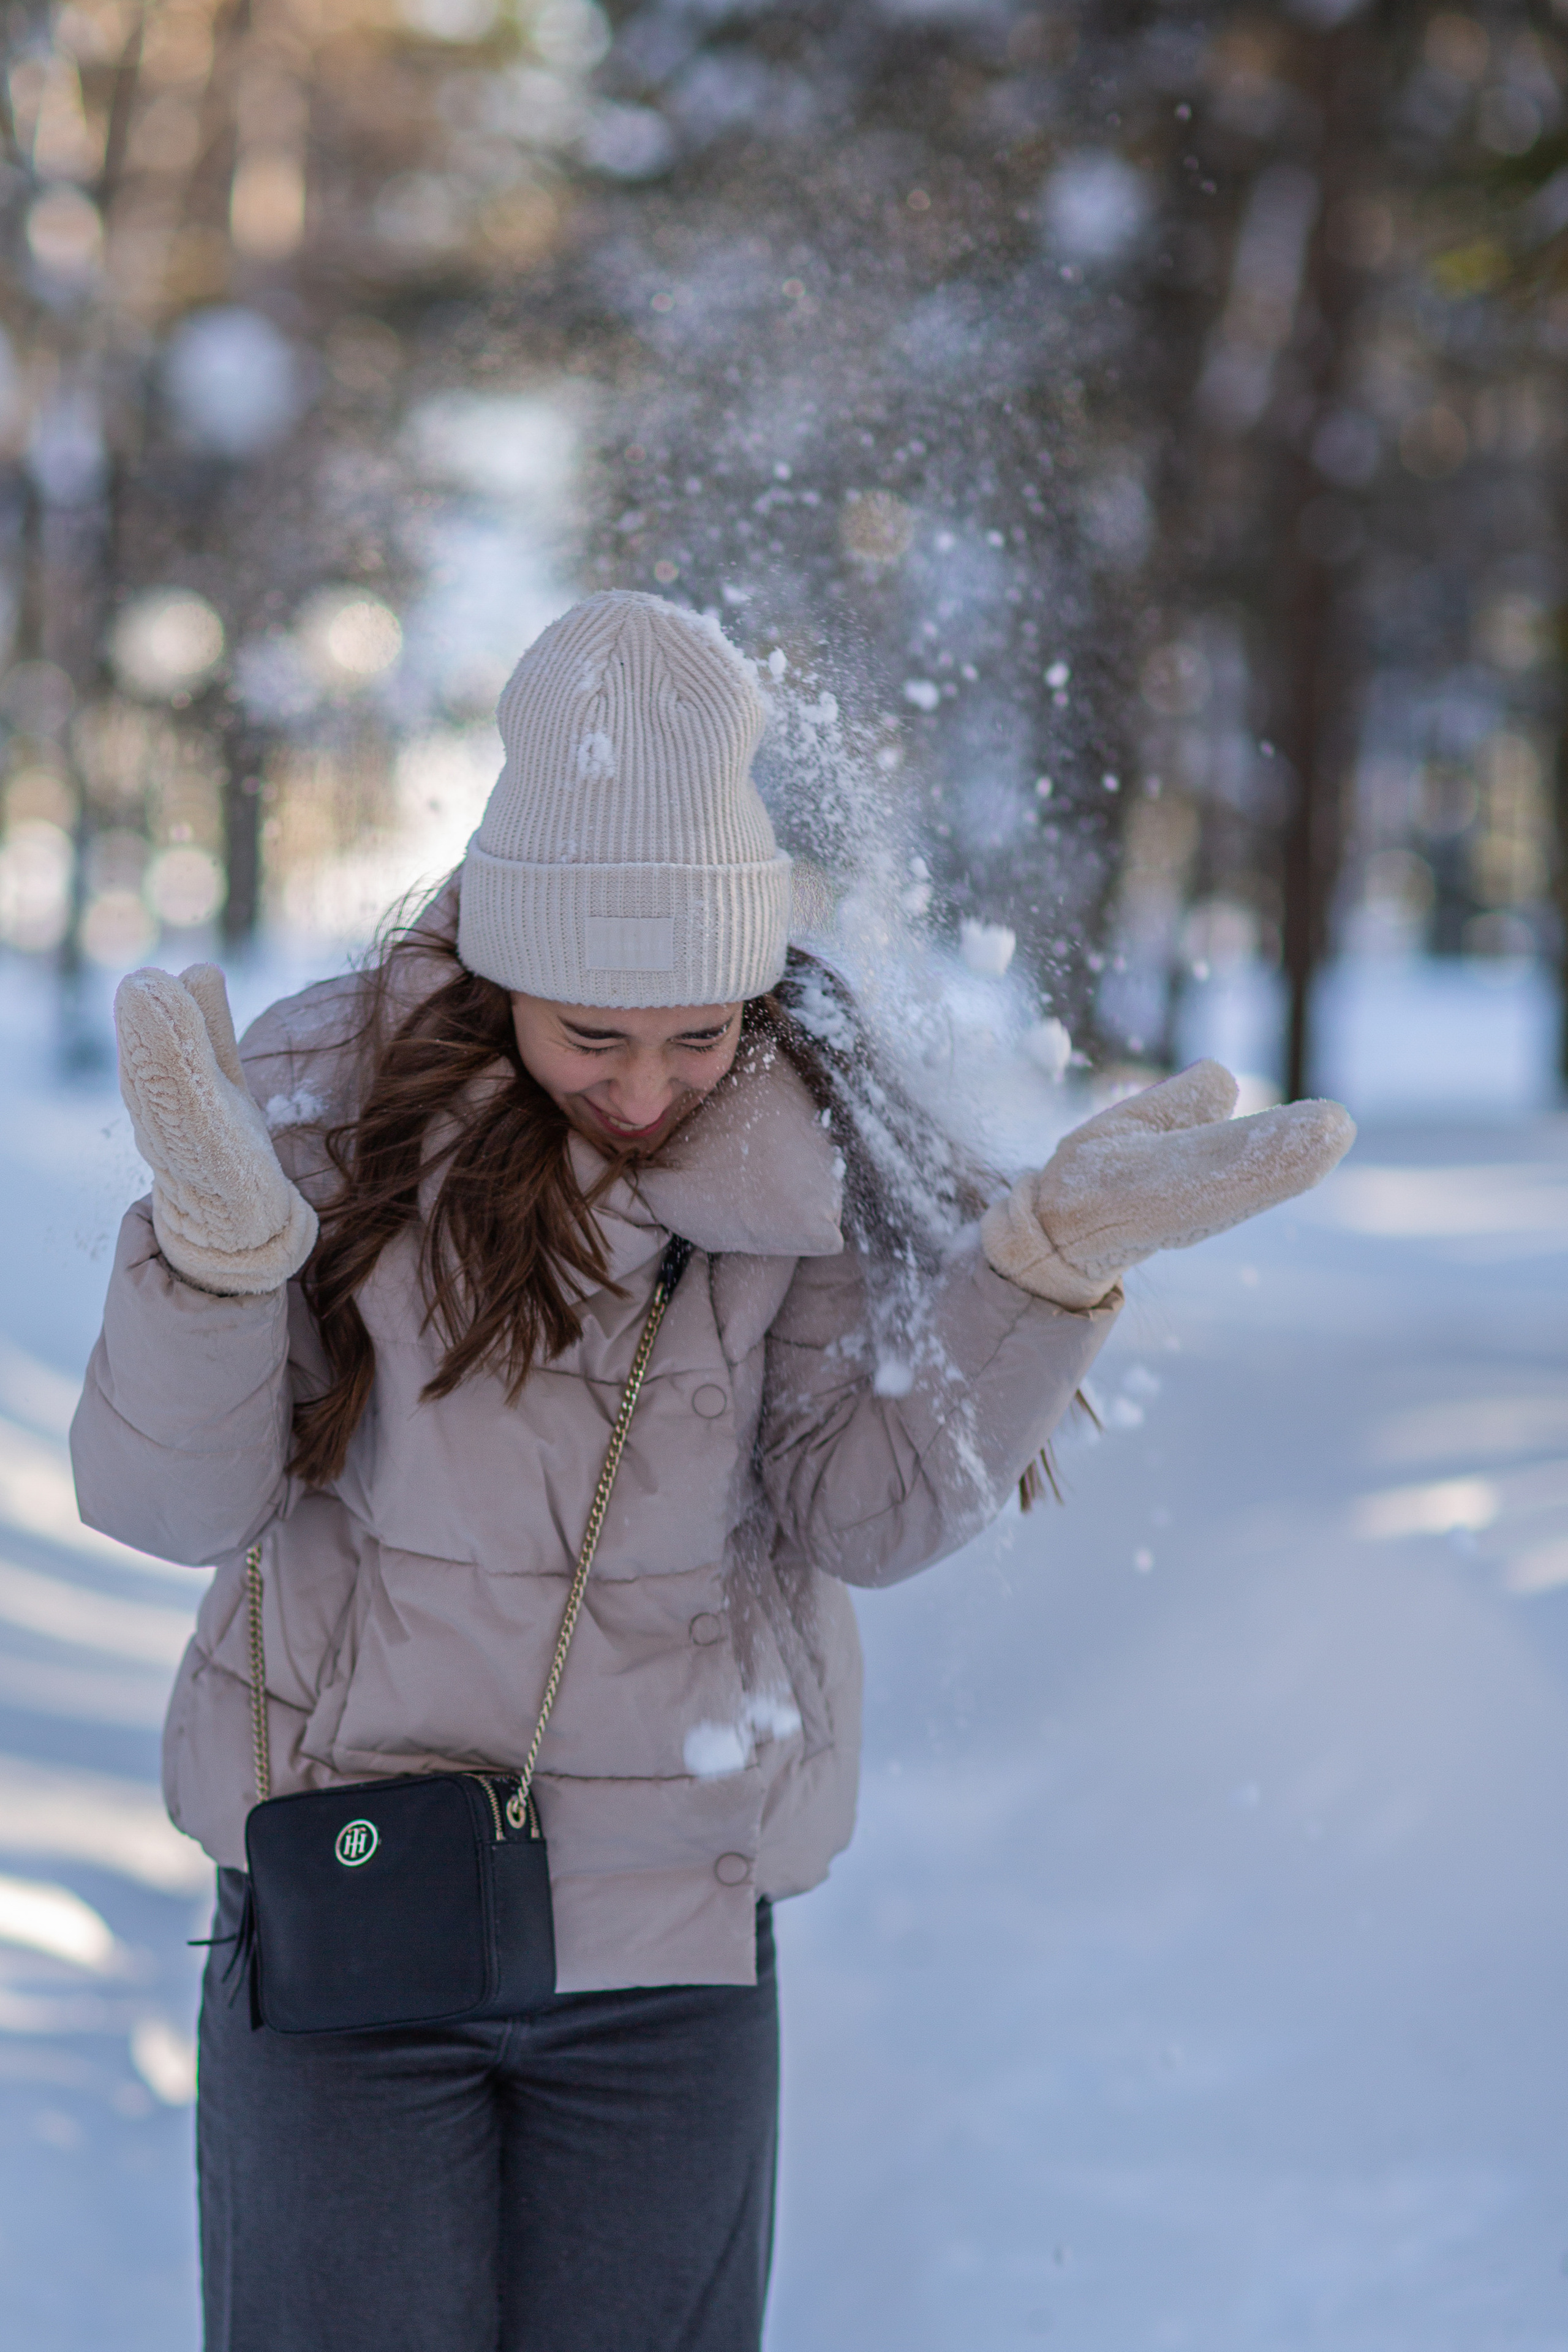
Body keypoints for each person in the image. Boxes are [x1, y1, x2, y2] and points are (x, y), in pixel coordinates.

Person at [70, 592, 1352, 2352]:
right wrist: (213, 1262)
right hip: (353, 1907)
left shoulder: (798, 1139)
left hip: (671, 1941)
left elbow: (862, 1511)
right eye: (597, 1037)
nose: (654, 1089)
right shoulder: (312, 1096)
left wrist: (1041, 1272)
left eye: (701, 1033)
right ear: (506, 956)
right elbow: (173, 1504)